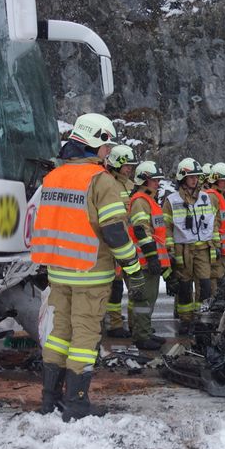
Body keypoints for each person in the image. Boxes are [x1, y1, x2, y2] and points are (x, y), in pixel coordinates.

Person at [31, 113, 144, 421]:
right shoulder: (101, 181)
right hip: (90, 273)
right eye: (107, 147)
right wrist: (133, 267)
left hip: (58, 270)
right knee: (84, 337)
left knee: (59, 334)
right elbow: (115, 232)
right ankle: (77, 404)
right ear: (96, 143)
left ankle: (49, 400)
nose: (109, 153)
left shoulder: (54, 177)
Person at [162, 157, 218, 330]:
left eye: (197, 177)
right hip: (183, 249)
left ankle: (202, 318)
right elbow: (167, 227)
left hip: (203, 248)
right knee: (184, 287)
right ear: (182, 178)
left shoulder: (206, 198)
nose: (195, 180)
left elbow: (213, 222)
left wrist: (216, 243)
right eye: (191, 176)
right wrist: (170, 250)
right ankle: (186, 320)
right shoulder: (171, 200)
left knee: (205, 286)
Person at [126, 161, 170, 350]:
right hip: (143, 261)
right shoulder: (140, 201)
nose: (158, 183)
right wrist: (152, 257)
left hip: (148, 259)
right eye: (154, 180)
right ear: (144, 180)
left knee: (148, 298)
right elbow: (141, 230)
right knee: (143, 299)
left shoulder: (148, 200)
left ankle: (145, 330)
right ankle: (141, 336)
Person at [102, 144, 137, 337]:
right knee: (114, 288)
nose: (129, 169)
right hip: (113, 245)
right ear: (116, 164)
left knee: (134, 286)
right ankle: (114, 325)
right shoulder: (107, 183)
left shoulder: (131, 186)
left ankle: (135, 325)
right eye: (126, 166)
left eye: (131, 166)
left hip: (131, 245)